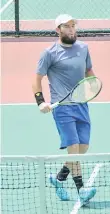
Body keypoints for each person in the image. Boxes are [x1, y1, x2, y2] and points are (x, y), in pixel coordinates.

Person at [31, 14, 97, 204]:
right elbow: (36, 79)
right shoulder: (49, 53)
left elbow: (89, 71)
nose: (71, 29)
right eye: (66, 26)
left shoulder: (83, 48)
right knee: (74, 149)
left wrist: (93, 83)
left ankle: (59, 178)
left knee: (83, 148)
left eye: (73, 26)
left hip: (82, 105)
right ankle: (81, 190)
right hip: (62, 108)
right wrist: (40, 102)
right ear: (58, 30)